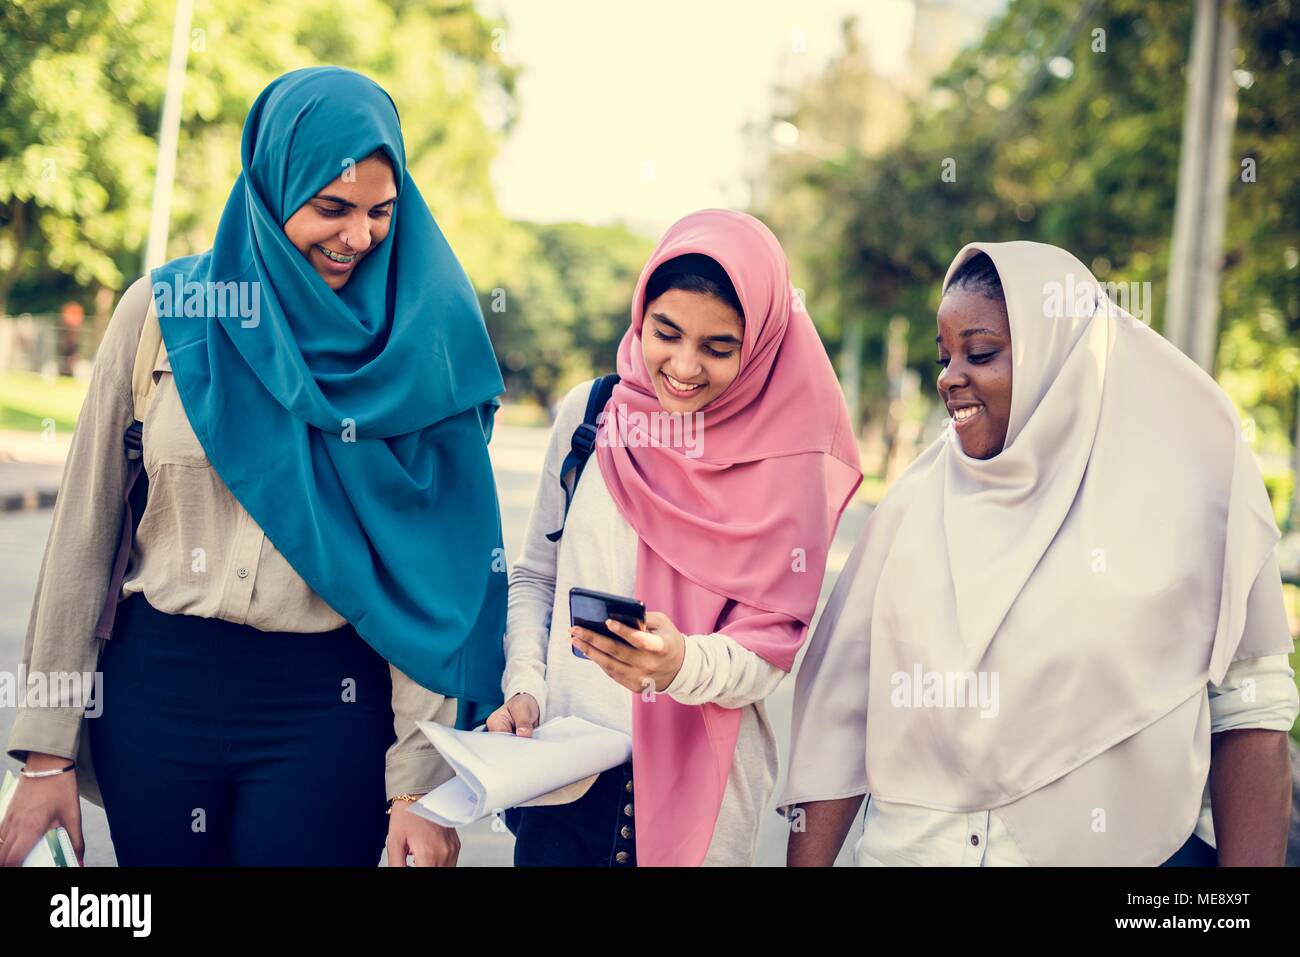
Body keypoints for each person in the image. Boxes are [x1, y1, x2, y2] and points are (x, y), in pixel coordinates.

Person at [0, 67, 507, 867]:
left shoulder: (419, 347)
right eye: (331, 208)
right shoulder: (163, 314)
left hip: (327, 707)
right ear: (270, 191)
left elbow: (433, 581)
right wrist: (44, 755)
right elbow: (82, 539)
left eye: (382, 211)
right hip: (153, 695)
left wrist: (418, 785)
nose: (358, 237)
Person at [782, 241, 1298, 866]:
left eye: (980, 353)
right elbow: (840, 715)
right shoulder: (909, 509)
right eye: (944, 357)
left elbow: (1251, 715)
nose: (948, 378)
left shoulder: (1189, 497)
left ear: (1063, 356)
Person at [488, 209, 862, 866]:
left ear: (761, 344)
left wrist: (679, 663)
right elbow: (536, 576)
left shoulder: (786, 464)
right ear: (640, 315)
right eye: (666, 333)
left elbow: (769, 649)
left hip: (701, 811)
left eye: (718, 348)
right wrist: (526, 685)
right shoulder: (590, 415)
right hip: (560, 786)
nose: (684, 366)